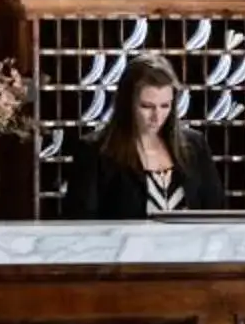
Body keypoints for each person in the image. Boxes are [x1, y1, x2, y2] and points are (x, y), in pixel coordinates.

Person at [62, 54, 226, 218]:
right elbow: (81, 222)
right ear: (127, 103)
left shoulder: (195, 145)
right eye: (147, 106)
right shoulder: (95, 151)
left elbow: (215, 211)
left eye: (165, 106)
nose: (157, 116)